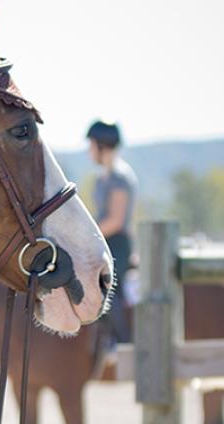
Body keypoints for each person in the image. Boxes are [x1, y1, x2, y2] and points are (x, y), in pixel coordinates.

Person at [86, 120, 138, 343]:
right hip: (104, 240)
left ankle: (121, 341)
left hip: (117, 243)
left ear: (102, 145)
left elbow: (115, 220)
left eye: (91, 145)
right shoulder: (102, 177)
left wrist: (88, 234)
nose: (89, 151)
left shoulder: (119, 177)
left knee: (109, 289)